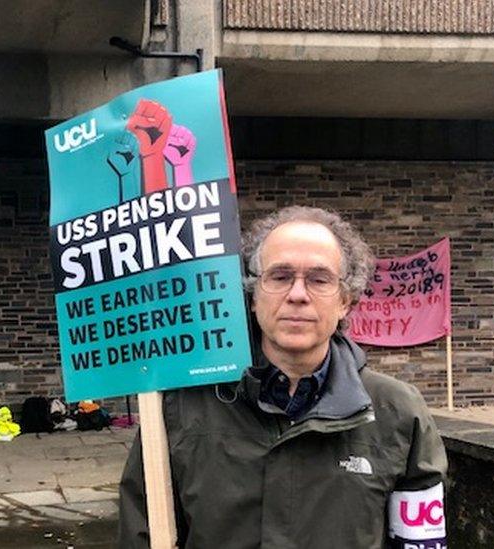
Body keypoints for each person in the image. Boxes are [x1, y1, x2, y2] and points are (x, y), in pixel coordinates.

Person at [119, 206, 448, 548]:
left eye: (319, 279)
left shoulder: (397, 412)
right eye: (280, 276)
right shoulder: (180, 404)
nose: (298, 294)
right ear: (252, 293)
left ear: (346, 301)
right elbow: (141, 531)